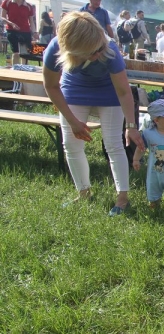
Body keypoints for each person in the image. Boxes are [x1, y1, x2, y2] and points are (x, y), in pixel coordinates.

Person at [42, 11, 145, 216]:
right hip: (74, 89)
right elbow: (51, 86)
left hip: (109, 92)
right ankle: (83, 192)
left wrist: (131, 126)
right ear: (73, 50)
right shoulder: (55, 48)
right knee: (71, 143)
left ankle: (122, 199)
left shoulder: (109, 49)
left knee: (113, 144)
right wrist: (73, 122)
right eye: (91, 52)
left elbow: (124, 91)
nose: (98, 54)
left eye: (99, 49)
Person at [1, 0, 37, 65]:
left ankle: (24, 69)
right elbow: (2, 17)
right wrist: (11, 23)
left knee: (24, 53)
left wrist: (34, 32)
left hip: (25, 31)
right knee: (16, 52)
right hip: (11, 30)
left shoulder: (28, 6)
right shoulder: (7, 2)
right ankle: (15, 70)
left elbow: (31, 21)